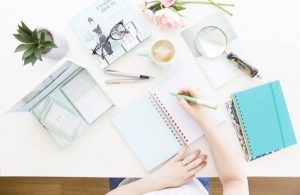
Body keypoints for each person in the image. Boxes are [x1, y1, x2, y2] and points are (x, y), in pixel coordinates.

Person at [107, 88, 249, 195]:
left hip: (133, 184)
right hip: (189, 173)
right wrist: (205, 121)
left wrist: (159, 180)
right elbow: (236, 182)